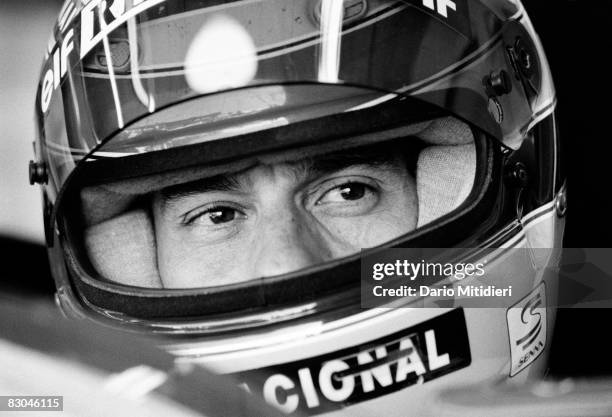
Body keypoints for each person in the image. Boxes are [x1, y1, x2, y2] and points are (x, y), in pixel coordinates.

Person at [30, 0, 565, 415]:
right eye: (217, 215)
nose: (285, 262)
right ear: (125, 245)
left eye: (348, 191)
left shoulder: (594, 281)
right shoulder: (31, 388)